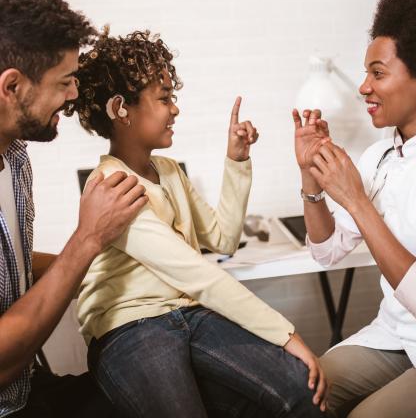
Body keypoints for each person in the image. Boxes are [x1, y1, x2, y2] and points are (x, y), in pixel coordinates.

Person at [66, 27, 327, 417]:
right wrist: (286, 335)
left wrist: (236, 161)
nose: (175, 109)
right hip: (131, 328)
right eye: (165, 98)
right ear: (121, 108)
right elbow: (198, 276)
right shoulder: (112, 186)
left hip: (190, 313)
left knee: (299, 390)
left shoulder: (168, 171)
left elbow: (222, 239)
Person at [0, 0, 148, 417]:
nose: (73, 96)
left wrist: (121, 268)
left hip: (29, 388)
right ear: (12, 86)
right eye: (64, 82)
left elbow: (13, 269)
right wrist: (88, 238)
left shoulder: (15, 155)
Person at [293, 0, 416, 417]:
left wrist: (357, 201)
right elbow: (326, 252)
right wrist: (311, 175)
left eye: (378, 73)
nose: (363, 88)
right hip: (393, 336)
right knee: (297, 391)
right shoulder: (380, 156)